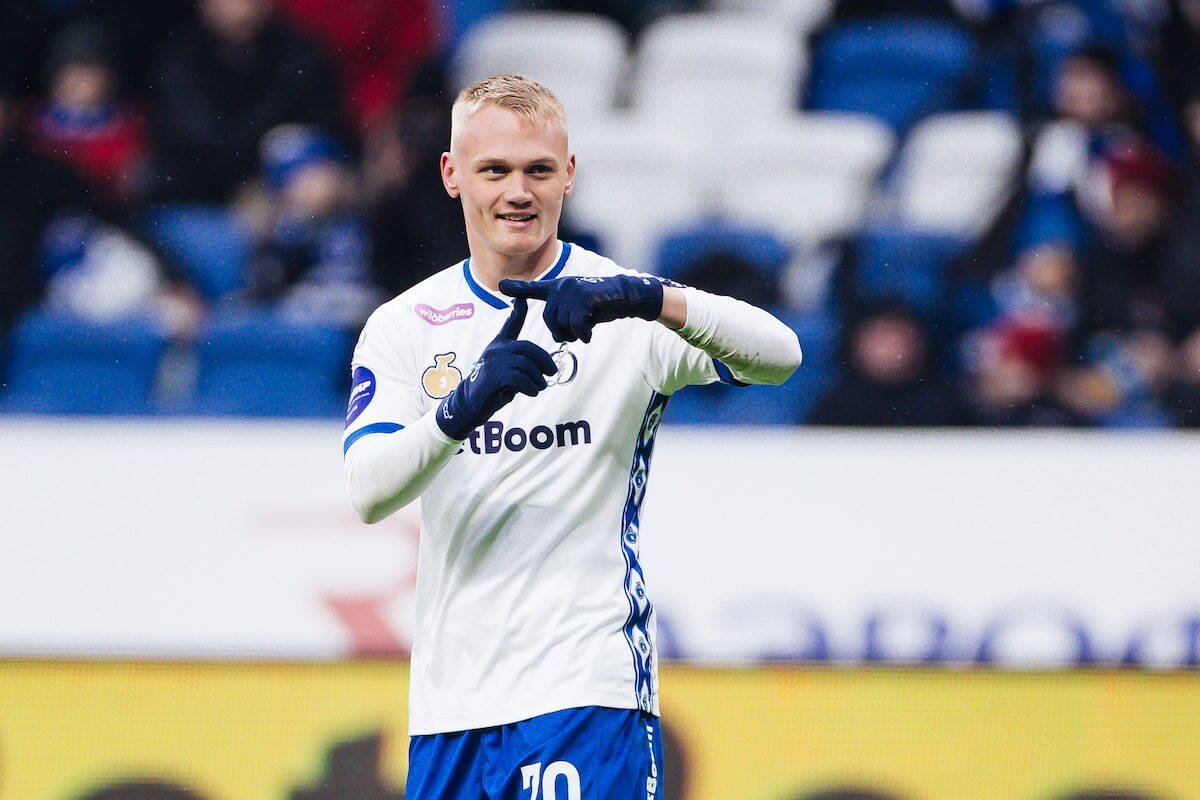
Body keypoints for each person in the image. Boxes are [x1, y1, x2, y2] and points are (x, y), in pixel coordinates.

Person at [342, 74, 801, 798]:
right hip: (450, 704)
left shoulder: (626, 308)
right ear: (452, 175)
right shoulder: (404, 324)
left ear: (570, 175)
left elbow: (781, 356)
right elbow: (370, 490)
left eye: (538, 170)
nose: (517, 192)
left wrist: (652, 298)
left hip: (586, 686)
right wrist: (462, 408)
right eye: (495, 170)